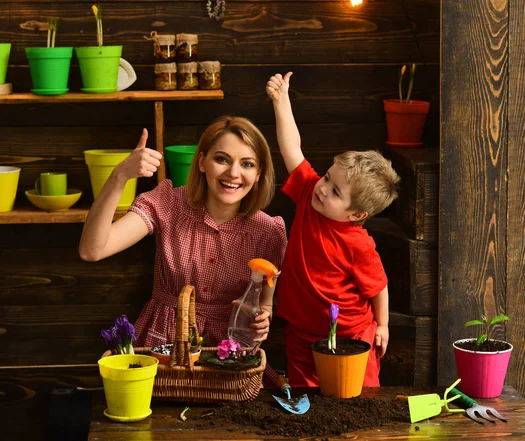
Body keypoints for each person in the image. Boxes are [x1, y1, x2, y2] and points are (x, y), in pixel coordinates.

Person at [79, 116, 287, 370]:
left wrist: (262, 322)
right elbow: (92, 250)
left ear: (258, 174)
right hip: (163, 349)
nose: (233, 173)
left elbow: (264, 303)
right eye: (221, 159)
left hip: (229, 356)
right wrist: (119, 176)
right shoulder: (169, 203)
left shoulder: (268, 231)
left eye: (247, 164)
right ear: (201, 162)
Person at [266, 72, 400, 387]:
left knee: (358, 397)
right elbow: (291, 149)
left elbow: (378, 287)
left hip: (351, 337)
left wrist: (382, 326)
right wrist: (281, 100)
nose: (323, 189)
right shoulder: (308, 192)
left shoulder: (358, 244)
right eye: (327, 177)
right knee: (305, 397)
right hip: (302, 332)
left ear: (357, 213)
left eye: (336, 192)